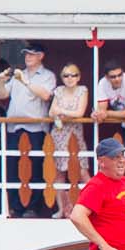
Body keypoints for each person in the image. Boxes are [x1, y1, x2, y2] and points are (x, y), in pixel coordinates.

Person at [0, 45, 55, 214]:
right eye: (26, 54)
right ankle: (15, 207)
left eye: (32, 54)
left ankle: (32, 207)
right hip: (14, 128)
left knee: (35, 168)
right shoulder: (18, 74)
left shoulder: (47, 76)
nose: (28, 57)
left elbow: (46, 95)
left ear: (41, 56)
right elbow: (2, 95)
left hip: (36, 129)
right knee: (13, 169)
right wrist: (1, 80)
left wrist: (26, 81)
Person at [48, 62, 91, 213]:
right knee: (59, 173)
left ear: (79, 77)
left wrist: (61, 110)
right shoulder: (58, 91)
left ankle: (94, 206)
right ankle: (61, 209)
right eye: (66, 75)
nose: (70, 78)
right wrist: (61, 112)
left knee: (81, 171)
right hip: (59, 135)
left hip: (74, 136)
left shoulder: (82, 90)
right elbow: (51, 112)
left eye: (73, 75)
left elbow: (80, 112)